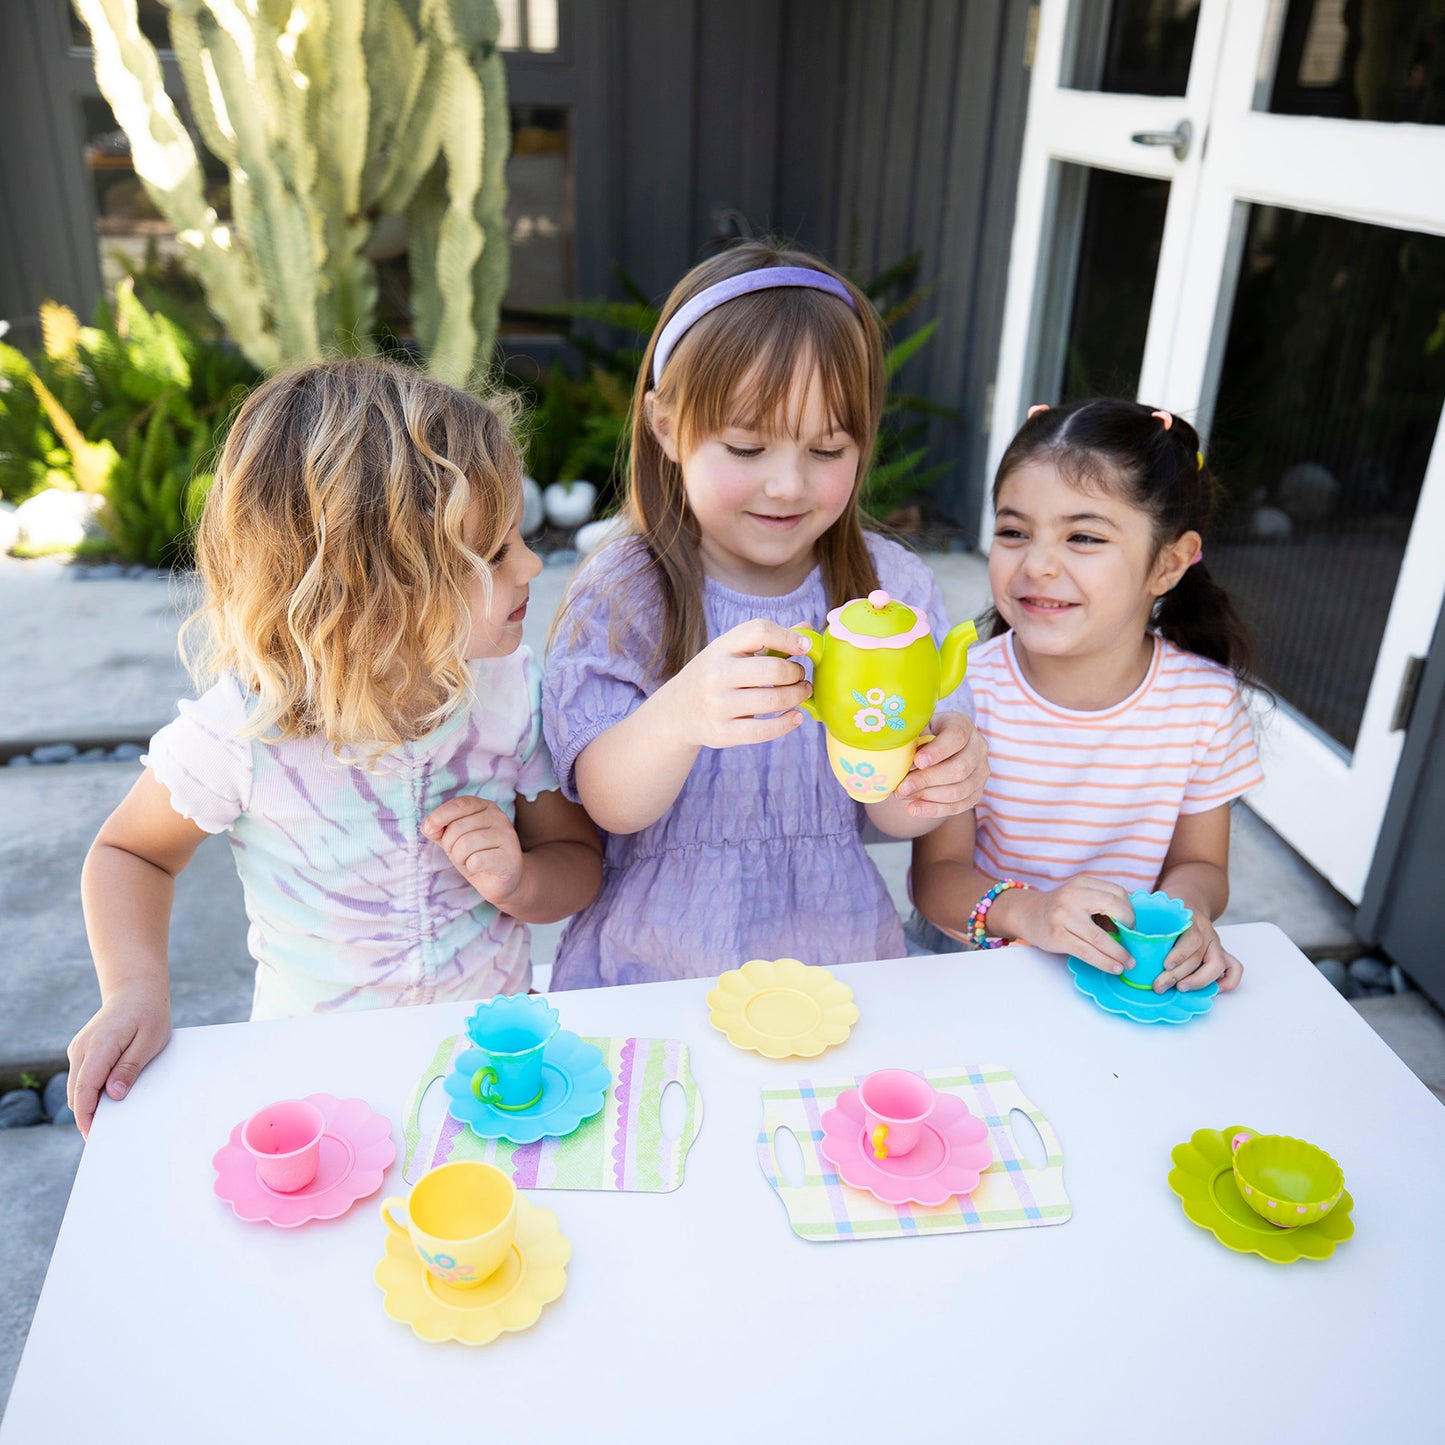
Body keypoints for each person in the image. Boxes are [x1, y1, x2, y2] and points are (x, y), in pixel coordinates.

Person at [67, 359, 602, 1135]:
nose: (528, 565)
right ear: (371, 595)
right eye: (490, 554)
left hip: (490, 1074)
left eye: (518, 536)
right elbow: (130, 853)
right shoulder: (250, 727)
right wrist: (135, 988)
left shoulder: (509, 690)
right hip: (318, 1075)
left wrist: (520, 880)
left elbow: (578, 862)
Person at [542, 240, 989, 989]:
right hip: (658, 971)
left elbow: (892, 816)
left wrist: (936, 780)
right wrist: (680, 714)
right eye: (746, 445)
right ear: (665, 426)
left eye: (826, 448)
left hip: (834, 959)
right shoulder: (624, 591)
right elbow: (607, 803)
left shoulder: (891, 590)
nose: (786, 484)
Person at [910, 399, 1263, 991]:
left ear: (1169, 563)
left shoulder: (1204, 704)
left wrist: (1183, 917)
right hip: (971, 978)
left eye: (1083, 536)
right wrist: (1034, 913)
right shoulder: (962, 687)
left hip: (1125, 979)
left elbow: (1201, 866)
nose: (1039, 564)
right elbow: (937, 881)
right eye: (1014, 531)